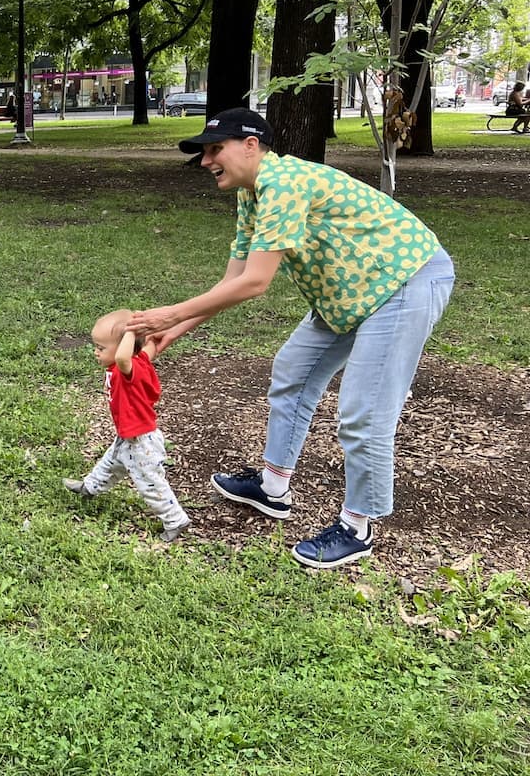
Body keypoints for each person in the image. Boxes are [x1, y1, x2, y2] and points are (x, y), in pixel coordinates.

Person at [127, 108, 454, 569]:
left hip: (404, 282)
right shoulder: (252, 193)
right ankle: (273, 487)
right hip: (350, 292)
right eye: (203, 153)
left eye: (214, 150)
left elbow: (256, 283)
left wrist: (168, 314)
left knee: (363, 413)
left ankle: (358, 526)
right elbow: (234, 278)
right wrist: (172, 331)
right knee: (292, 373)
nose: (205, 161)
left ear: (251, 145)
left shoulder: (283, 183)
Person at [63, 309, 191, 543]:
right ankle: (89, 488)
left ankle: (175, 520)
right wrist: (146, 333)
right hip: (129, 436)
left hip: (142, 442)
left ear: (124, 347)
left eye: (101, 348)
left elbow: (123, 357)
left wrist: (131, 331)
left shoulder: (129, 368)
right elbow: (150, 345)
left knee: (150, 483)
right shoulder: (139, 359)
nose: (96, 352)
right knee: (110, 462)